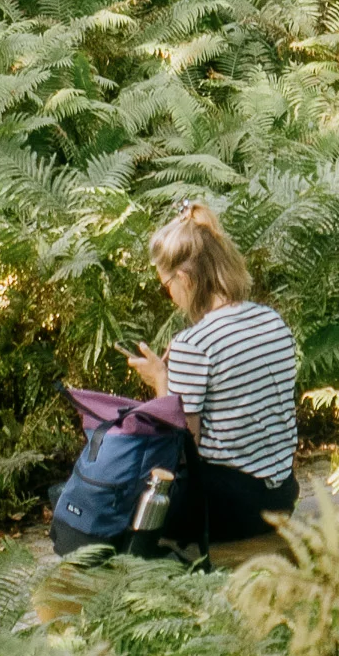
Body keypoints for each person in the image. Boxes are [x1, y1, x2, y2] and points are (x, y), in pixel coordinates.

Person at [126, 199, 302, 545]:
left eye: (165, 287)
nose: (170, 295)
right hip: (282, 497)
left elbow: (182, 447)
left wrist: (162, 380)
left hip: (230, 510)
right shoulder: (271, 319)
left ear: (185, 278)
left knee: (106, 498)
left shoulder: (195, 343)